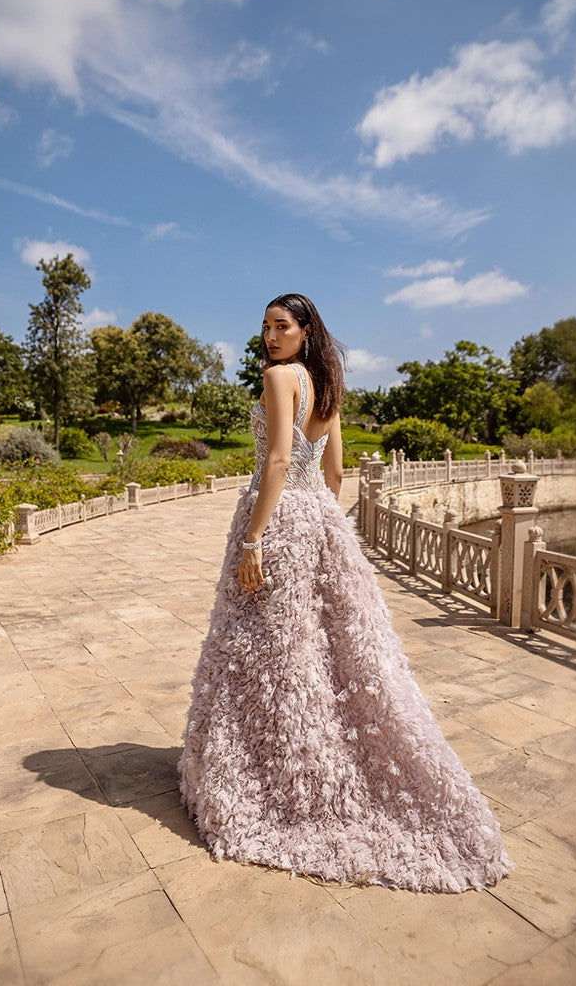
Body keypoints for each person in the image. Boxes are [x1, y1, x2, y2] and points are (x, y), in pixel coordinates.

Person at [178, 293, 511, 893]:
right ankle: (310, 762)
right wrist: (321, 526)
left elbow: (277, 460)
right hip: (316, 522)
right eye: (265, 327)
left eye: (281, 326)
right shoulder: (326, 386)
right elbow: (334, 473)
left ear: (305, 331)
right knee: (320, 653)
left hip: (276, 520)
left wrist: (255, 537)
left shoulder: (280, 378)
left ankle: (275, 775)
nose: (270, 337)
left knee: (267, 651)